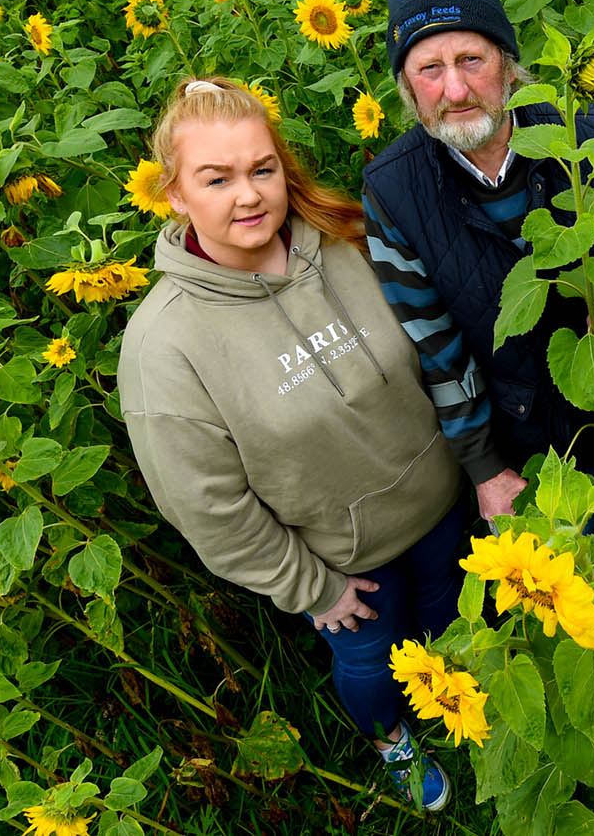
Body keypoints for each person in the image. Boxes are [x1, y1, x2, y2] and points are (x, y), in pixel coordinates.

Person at [117, 77, 467, 810]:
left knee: (449, 612)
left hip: (439, 502)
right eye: (217, 178)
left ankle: (460, 693)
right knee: (371, 659)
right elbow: (207, 505)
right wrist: (313, 587)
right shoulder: (165, 346)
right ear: (175, 194)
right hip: (343, 562)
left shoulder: (347, 241)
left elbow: (437, 344)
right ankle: (392, 738)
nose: (248, 195)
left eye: (262, 169)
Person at [361, 0, 594, 525]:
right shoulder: (394, 193)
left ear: (507, 63)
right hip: (522, 453)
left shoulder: (584, 138)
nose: (455, 91)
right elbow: (437, 349)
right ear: (406, 85)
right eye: (430, 68)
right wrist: (484, 468)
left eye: (471, 60)